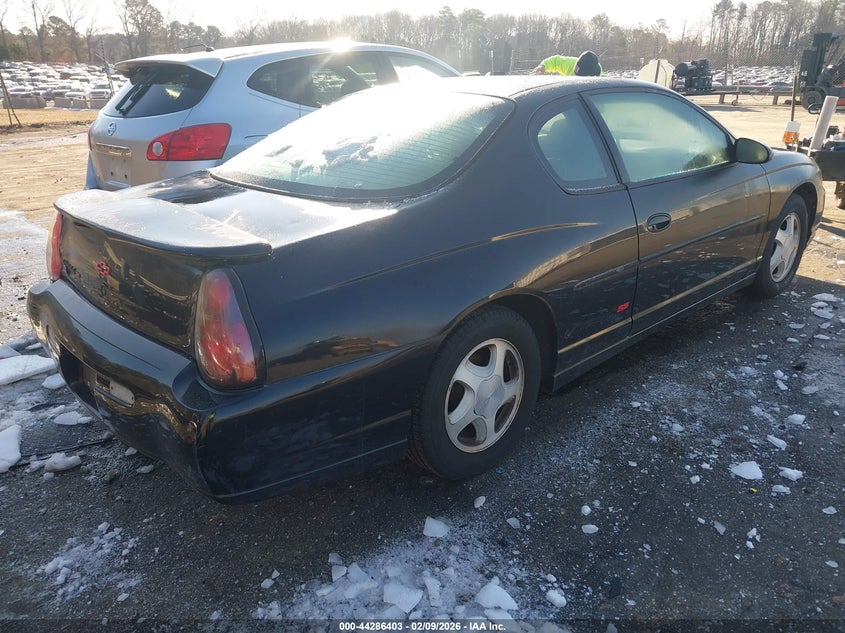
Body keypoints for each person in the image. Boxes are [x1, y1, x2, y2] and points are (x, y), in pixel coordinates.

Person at [531, 50, 602, 76]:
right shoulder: (571, 64)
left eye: (578, 76)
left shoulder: (597, 80)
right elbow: (556, 61)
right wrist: (543, 66)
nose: (575, 75)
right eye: (575, 73)